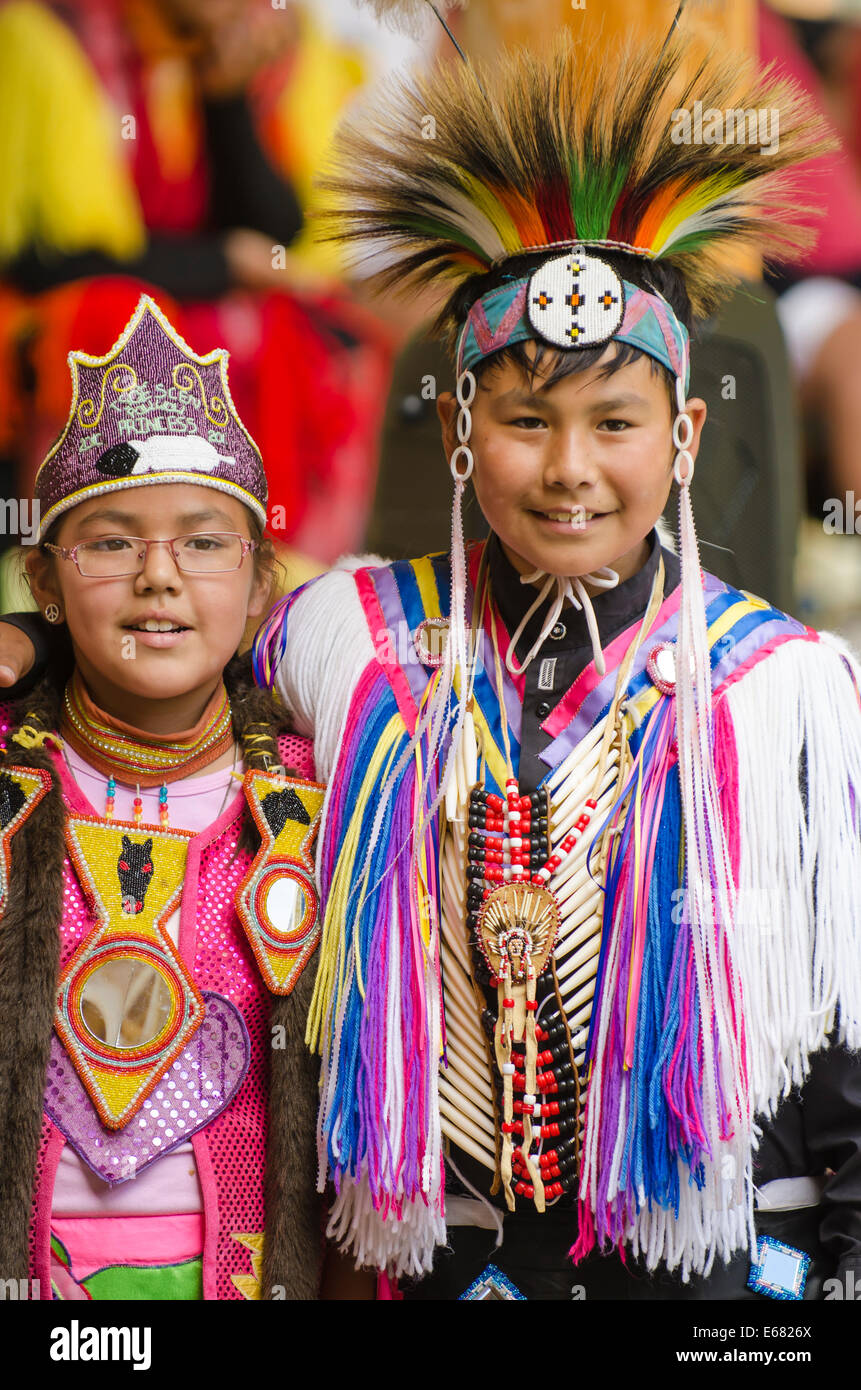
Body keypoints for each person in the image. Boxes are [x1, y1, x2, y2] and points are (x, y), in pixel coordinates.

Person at [4, 28, 861, 1303]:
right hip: (448, 1265)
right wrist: (32, 645)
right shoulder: (351, 638)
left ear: (683, 436)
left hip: (704, 1276)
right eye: (526, 420)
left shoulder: (787, 693)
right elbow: (174, 633)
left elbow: (838, 1064)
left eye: (615, 424)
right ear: (461, 427)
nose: (570, 468)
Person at [0, 293, 364, 1300]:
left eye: (204, 543)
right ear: (45, 578)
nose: (159, 576)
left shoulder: (319, 794)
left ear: (259, 586)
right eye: (111, 543)